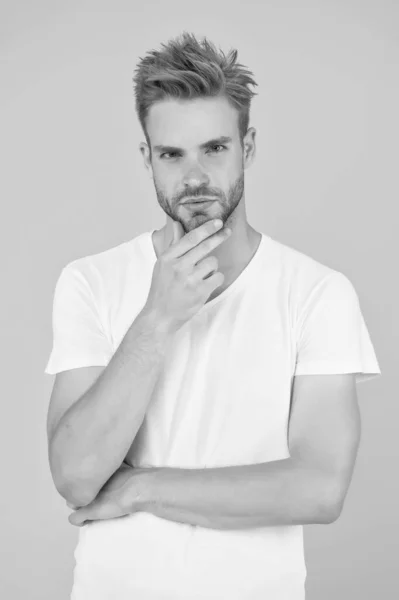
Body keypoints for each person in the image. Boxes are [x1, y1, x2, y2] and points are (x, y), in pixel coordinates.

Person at [44, 32, 381, 600]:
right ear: (147, 157)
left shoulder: (318, 292)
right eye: (172, 154)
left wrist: (139, 488)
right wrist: (157, 318)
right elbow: (76, 476)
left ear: (247, 147)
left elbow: (319, 489)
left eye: (215, 148)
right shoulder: (90, 282)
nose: (195, 176)